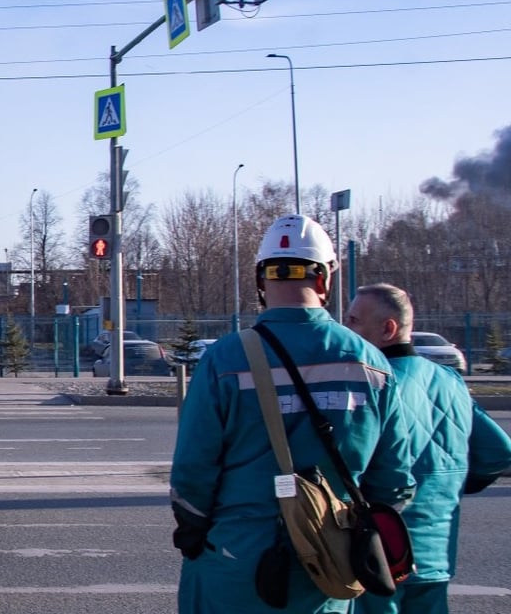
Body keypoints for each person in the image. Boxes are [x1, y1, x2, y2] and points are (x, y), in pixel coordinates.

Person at [170, 214, 415, 614]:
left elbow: (192, 471)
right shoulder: (371, 364)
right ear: (325, 280)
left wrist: (195, 533)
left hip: (235, 563)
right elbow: (394, 480)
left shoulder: (224, 360)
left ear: (261, 281)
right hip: (327, 571)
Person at [345, 283, 511, 614]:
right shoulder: (451, 382)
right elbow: (499, 453)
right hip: (436, 558)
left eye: (353, 320)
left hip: (379, 554)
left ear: (387, 328)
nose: (346, 329)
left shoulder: (372, 384)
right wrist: (449, 484)